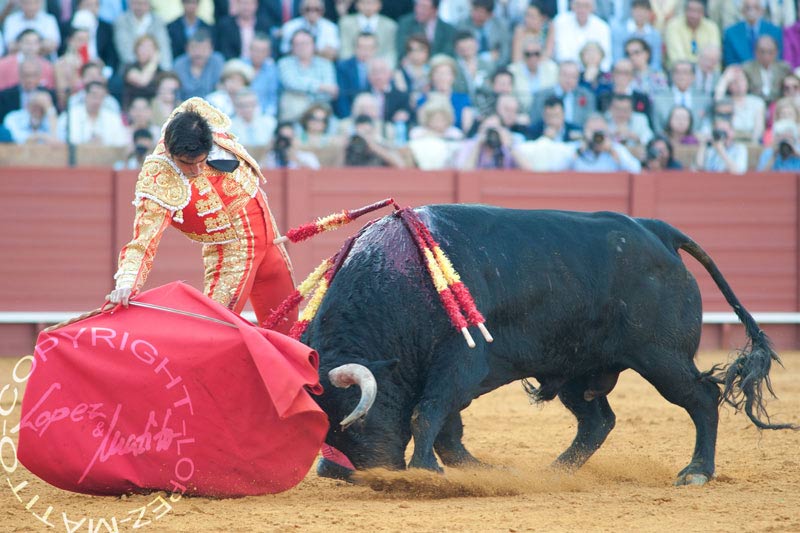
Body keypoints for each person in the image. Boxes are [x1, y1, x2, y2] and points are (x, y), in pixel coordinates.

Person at [108, 97, 297, 335]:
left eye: (201, 161)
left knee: (290, 328)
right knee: (212, 332)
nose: (196, 170)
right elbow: (143, 242)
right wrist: (126, 284)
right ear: (169, 151)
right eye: (187, 164)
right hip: (233, 249)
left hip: (270, 238)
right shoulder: (158, 179)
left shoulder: (199, 118)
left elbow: (194, 108)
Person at [567, 113, 642, 172]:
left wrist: (612, 151)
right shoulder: (577, 147)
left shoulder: (615, 149)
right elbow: (559, 166)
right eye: (593, 132)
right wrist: (580, 150)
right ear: (585, 131)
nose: (597, 136)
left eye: (600, 132)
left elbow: (636, 169)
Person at [722, 0, 783, 66]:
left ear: (762, 10)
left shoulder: (775, 31)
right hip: (740, 73)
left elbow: (777, 59)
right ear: (742, 10)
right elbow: (730, 62)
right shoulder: (731, 33)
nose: (751, 11)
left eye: (756, 7)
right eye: (747, 7)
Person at [664, 0, 720, 68]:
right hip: (680, 71)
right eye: (690, 10)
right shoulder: (673, 26)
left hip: (706, 70)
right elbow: (677, 57)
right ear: (685, 10)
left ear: (704, 12)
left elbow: (714, 56)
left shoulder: (711, 27)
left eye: (698, 11)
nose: (693, 15)